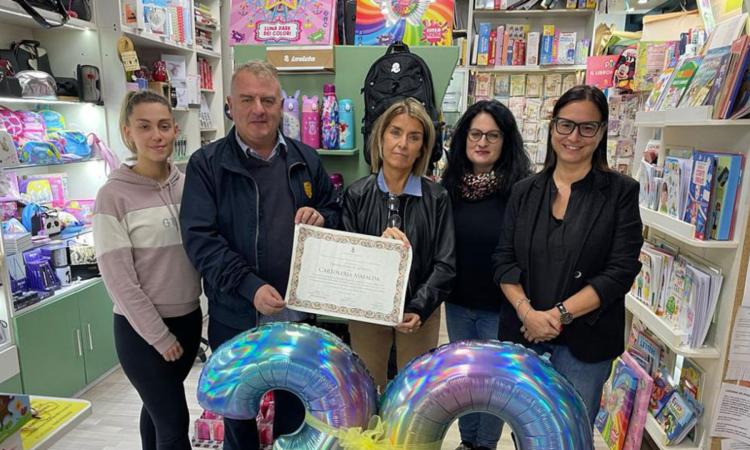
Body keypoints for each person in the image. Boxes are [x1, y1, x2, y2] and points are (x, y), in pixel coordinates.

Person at [180, 61, 340, 450]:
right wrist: (249, 287)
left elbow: (335, 213)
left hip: (297, 316)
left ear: (281, 104)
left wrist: (323, 216)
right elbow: (201, 239)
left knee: (295, 413)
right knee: (239, 416)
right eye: (248, 99)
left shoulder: (305, 159)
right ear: (230, 105)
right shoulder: (207, 165)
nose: (259, 109)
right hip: (237, 315)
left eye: (268, 100)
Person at [491, 85, 643, 426]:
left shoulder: (620, 192)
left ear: (602, 131)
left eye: (587, 127)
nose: (574, 136)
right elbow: (503, 260)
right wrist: (527, 313)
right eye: (566, 125)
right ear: (552, 126)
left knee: (570, 432)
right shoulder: (524, 191)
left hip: (585, 345)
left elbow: (620, 272)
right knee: (527, 429)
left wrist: (558, 316)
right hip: (523, 335)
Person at [94, 90, 202, 450]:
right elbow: (119, 280)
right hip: (142, 333)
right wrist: (158, 336)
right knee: (174, 424)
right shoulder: (113, 196)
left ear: (174, 130)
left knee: (155, 413)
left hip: (188, 322)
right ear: (128, 133)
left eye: (164, 126)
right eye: (145, 127)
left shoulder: (188, 186)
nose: (157, 135)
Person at [342, 98, 455, 392]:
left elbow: (445, 264)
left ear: (423, 147)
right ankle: (367, 440)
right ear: (380, 137)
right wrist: (377, 251)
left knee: (413, 397)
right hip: (367, 313)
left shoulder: (437, 198)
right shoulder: (356, 195)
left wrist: (419, 306)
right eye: (395, 132)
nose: (403, 143)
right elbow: (346, 260)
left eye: (414, 137)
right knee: (366, 390)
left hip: (419, 313)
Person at [440, 100, 532, 450]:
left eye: (493, 135)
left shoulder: (521, 190)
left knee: (493, 381)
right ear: (463, 138)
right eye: (476, 134)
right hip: (459, 302)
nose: (483, 142)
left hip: (502, 305)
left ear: (506, 141)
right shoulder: (449, 187)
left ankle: (486, 444)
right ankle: (467, 442)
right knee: (466, 378)